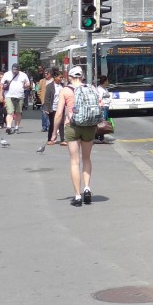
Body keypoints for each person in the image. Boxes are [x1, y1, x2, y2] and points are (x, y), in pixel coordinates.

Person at [50, 67, 97, 206]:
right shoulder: (91, 88)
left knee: (74, 161)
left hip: (72, 126)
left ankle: (77, 196)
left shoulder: (65, 91)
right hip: (89, 126)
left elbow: (58, 114)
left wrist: (54, 133)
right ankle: (87, 188)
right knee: (87, 158)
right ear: (82, 76)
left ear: (69, 77)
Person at [1, 63, 30, 134]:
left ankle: (16, 127)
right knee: (10, 112)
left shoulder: (23, 75)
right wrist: (1, 95)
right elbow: (2, 84)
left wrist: (27, 85)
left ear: (19, 69)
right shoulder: (7, 74)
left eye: (16, 70)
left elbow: (28, 84)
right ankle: (9, 127)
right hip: (9, 95)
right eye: (13, 70)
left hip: (20, 96)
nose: (14, 71)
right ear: (11, 69)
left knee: (18, 112)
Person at [95, 74, 111, 143]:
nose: (108, 82)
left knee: (104, 123)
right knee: (102, 123)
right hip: (102, 107)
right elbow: (99, 99)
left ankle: (101, 137)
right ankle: (99, 137)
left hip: (106, 106)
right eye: (107, 81)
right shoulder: (99, 89)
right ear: (104, 81)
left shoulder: (105, 89)